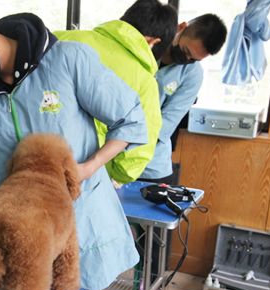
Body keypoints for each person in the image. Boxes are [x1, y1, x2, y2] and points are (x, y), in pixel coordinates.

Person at [0, 2, 149, 290]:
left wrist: (88, 168)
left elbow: (130, 119)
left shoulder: (67, 60)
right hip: (19, 233)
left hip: (84, 224)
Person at [55, 0, 178, 185]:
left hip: (32, 159)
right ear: (153, 42)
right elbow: (139, 146)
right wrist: (116, 177)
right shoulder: (144, 80)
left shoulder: (60, 39)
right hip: (89, 175)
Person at [139, 14, 227, 184]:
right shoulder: (146, 45)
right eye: (187, 51)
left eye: (193, 59)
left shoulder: (193, 74)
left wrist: (124, 147)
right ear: (181, 28)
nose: (186, 59)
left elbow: (167, 122)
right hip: (108, 153)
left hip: (151, 163)